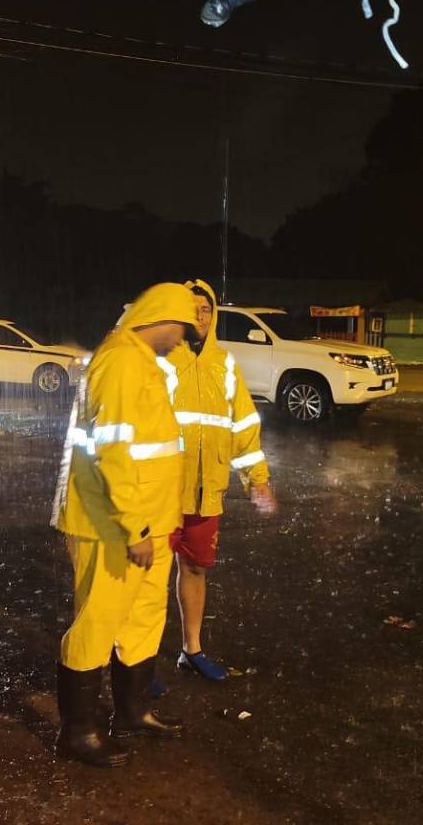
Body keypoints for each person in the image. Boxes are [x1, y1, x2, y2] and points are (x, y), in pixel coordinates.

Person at [51, 282, 199, 768]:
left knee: (141, 621)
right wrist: (134, 528)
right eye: (181, 326)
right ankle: (78, 733)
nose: (181, 338)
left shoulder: (142, 363)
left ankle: (131, 714)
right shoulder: (119, 362)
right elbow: (113, 452)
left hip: (147, 525)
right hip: (113, 526)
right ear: (158, 316)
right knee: (97, 622)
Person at [167, 279, 275, 683]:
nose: (200, 315)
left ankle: (191, 650)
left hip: (205, 489)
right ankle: (134, 664)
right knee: (143, 580)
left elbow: (243, 426)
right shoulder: (159, 358)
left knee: (195, 569)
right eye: (192, 308)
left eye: (206, 309)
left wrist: (256, 480)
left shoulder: (224, 363)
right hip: (160, 491)